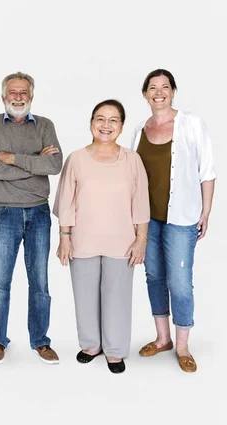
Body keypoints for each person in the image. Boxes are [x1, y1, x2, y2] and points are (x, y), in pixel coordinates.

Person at [54, 99, 150, 374]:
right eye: (100, 118)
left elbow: (141, 202)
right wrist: (64, 237)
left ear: (121, 126)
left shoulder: (132, 160)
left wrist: (141, 239)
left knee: (117, 297)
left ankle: (115, 350)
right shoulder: (76, 159)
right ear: (91, 123)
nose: (105, 125)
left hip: (121, 241)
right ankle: (91, 345)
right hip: (82, 240)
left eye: (113, 120)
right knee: (84, 296)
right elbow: (66, 203)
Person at [133, 69, 216, 373]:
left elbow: (207, 170)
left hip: (181, 218)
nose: (158, 92)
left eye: (164, 87)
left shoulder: (191, 123)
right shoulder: (139, 130)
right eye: (152, 88)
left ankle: (182, 345)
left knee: (180, 283)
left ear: (173, 91)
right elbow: (131, 175)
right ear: (145, 94)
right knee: (154, 277)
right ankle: (162, 338)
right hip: (147, 220)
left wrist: (205, 212)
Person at [0, 71, 62, 365]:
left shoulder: (45, 125)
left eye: (23, 92)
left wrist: (12, 158)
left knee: (39, 281)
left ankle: (40, 341)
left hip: (39, 211)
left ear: (31, 96)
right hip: (3, 211)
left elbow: (54, 165)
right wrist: (34, 162)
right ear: (3, 96)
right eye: (13, 92)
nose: (18, 97)